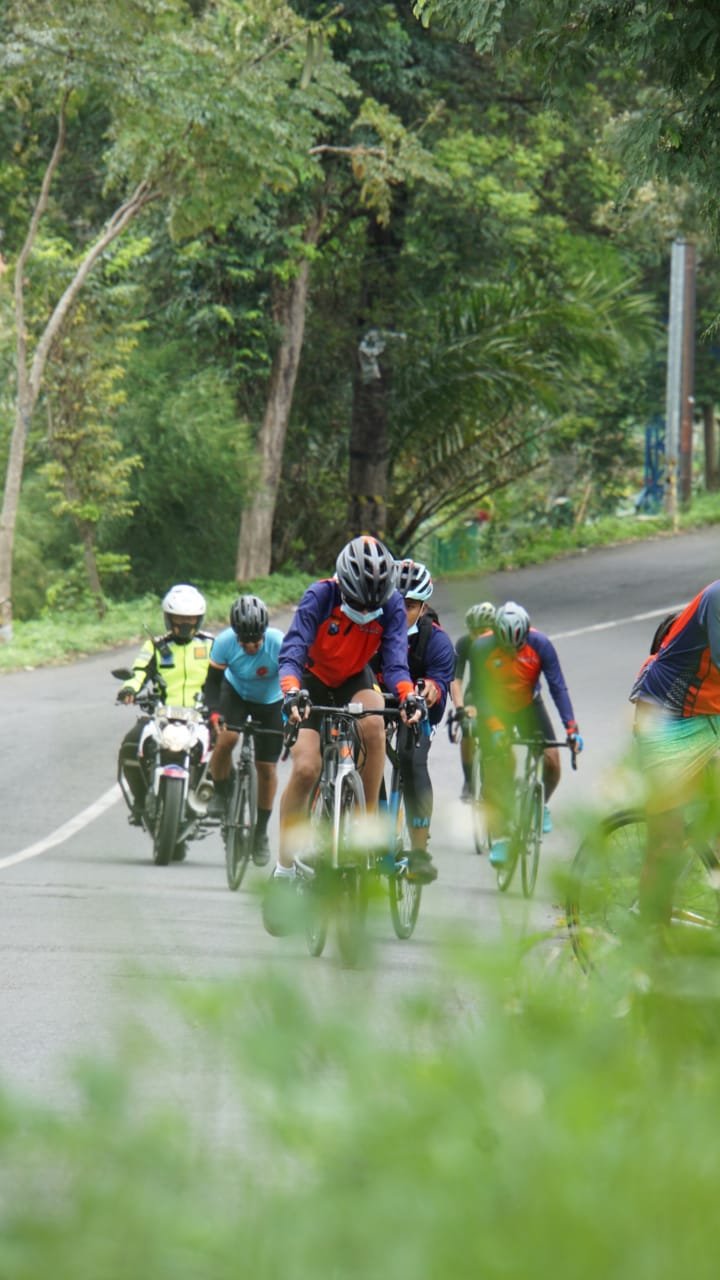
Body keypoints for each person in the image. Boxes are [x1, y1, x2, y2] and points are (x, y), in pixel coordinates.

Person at [263, 535, 425, 936]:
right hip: (310, 681)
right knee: (306, 768)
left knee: (374, 723)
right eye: (358, 605)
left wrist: (408, 696)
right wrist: (291, 691)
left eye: (374, 606)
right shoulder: (320, 595)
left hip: (354, 678)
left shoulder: (391, 605)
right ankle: (284, 870)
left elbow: (396, 662)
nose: (366, 613)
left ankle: (366, 825)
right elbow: (293, 649)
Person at [629, 584, 720, 924]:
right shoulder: (716, 597)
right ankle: (651, 944)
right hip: (667, 718)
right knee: (665, 842)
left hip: (712, 716)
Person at [469, 600, 583, 866]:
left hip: (528, 705)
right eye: (505, 646)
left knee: (552, 761)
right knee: (499, 767)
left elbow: (558, 687)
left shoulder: (541, 645)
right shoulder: (482, 647)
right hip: (494, 707)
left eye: (516, 647)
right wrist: (495, 728)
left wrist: (571, 728)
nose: (511, 651)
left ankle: (539, 804)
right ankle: (500, 838)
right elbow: (480, 694)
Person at [116, 584, 212, 824]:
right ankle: (140, 801)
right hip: (162, 716)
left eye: (190, 618)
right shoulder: (155, 646)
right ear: (169, 618)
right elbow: (139, 672)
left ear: (199, 619)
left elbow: (228, 675)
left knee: (225, 751)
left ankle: (219, 799)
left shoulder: (212, 645)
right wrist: (129, 689)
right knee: (130, 746)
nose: (185, 624)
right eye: (179, 618)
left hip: (202, 716)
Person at [384, 559, 456, 881]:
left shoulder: (437, 641)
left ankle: (419, 851)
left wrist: (428, 691)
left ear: (423, 607)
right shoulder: (374, 630)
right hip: (382, 697)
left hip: (422, 705)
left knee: (412, 759)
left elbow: (439, 684)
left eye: (410, 606)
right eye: (395, 603)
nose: (400, 612)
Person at [202, 594, 283, 866]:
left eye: (255, 642)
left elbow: (296, 680)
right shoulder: (224, 642)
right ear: (235, 635)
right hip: (235, 693)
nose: (249, 646)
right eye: (244, 641)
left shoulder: (278, 643)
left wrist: (292, 720)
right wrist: (214, 712)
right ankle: (220, 790)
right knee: (227, 738)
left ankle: (260, 833)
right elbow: (212, 684)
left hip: (270, 701)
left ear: (264, 634)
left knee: (266, 769)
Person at [448, 601, 496, 801]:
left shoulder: (502, 642)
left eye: (482, 631)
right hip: (475, 694)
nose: (477, 637)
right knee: (467, 729)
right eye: (473, 632)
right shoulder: (465, 643)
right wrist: (460, 709)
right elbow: (455, 680)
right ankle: (469, 780)